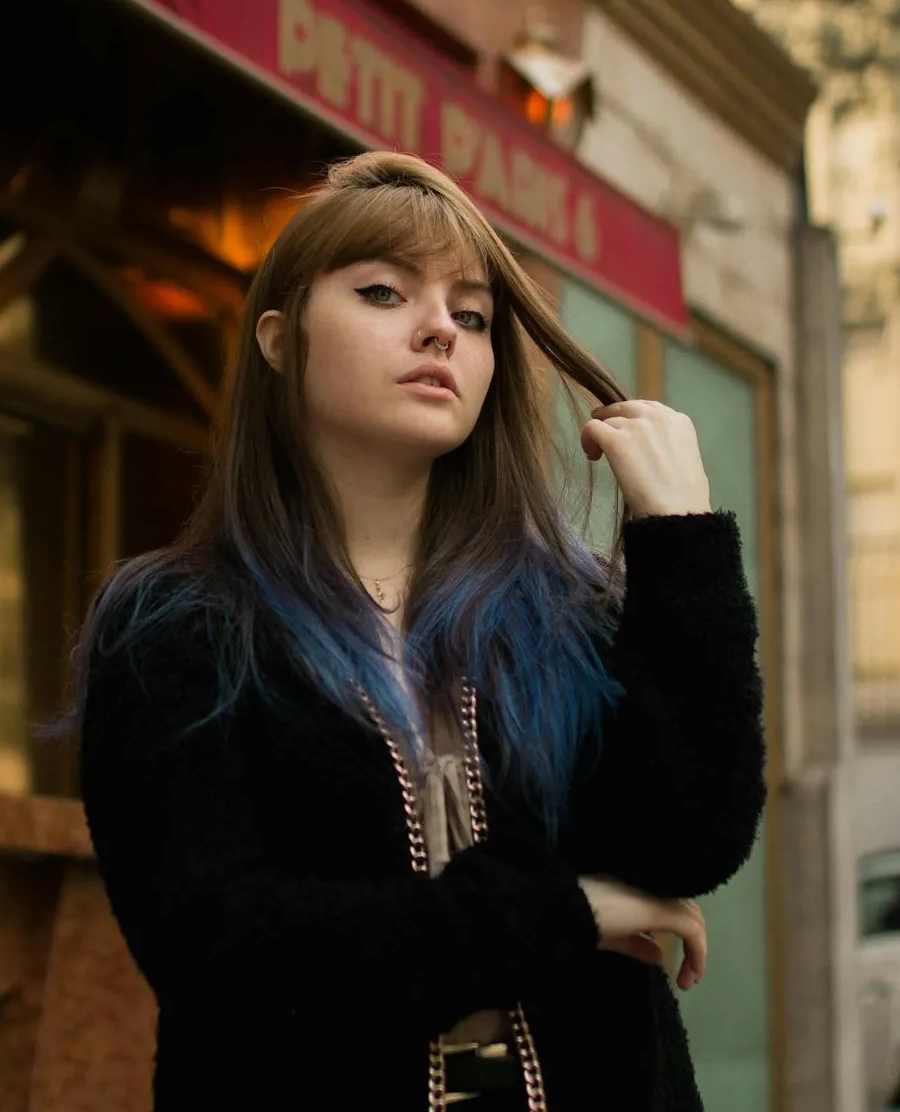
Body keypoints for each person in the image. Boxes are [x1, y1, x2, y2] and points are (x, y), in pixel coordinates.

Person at [74, 151, 766, 1112]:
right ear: (280, 339)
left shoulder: (564, 613)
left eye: (472, 315)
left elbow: (688, 842)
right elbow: (223, 950)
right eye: (383, 292)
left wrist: (683, 538)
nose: (440, 327)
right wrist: (560, 913)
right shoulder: (180, 625)